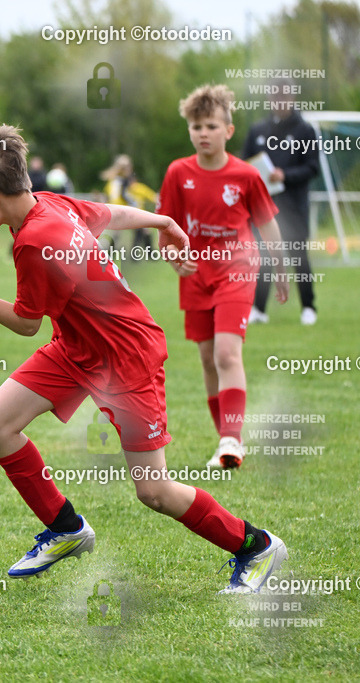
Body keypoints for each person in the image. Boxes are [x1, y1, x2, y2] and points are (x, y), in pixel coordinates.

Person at [0, 123, 286, 594]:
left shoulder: (35, 242)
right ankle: (66, 529)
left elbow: (24, 322)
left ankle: (256, 546)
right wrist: (161, 221)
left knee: (154, 492)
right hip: (78, 348)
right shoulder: (49, 203)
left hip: (126, 359)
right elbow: (108, 214)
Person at [157, 85, 289, 470]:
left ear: (228, 131)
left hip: (238, 270)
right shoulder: (178, 173)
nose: (203, 133)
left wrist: (281, 269)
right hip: (196, 275)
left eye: (211, 125)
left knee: (227, 353)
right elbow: (165, 230)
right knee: (207, 359)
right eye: (196, 126)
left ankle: (232, 439)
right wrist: (173, 260)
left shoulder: (246, 176)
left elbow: (268, 225)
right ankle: (225, 442)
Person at [241, 79, 321, 326]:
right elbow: (243, 164)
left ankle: (308, 307)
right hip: (262, 207)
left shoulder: (305, 130)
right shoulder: (258, 130)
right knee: (261, 256)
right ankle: (259, 309)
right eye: (275, 97)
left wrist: (285, 176)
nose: (279, 102)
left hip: (293, 205)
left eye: (284, 97)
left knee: (299, 256)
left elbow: (312, 167)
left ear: (293, 98)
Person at [100, 154, 158, 250]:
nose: (130, 168)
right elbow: (123, 195)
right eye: (129, 166)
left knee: (120, 234)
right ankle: (148, 253)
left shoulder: (115, 181)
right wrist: (133, 203)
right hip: (121, 209)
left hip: (115, 209)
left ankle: (108, 254)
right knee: (138, 229)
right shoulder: (122, 181)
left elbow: (108, 195)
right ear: (124, 168)